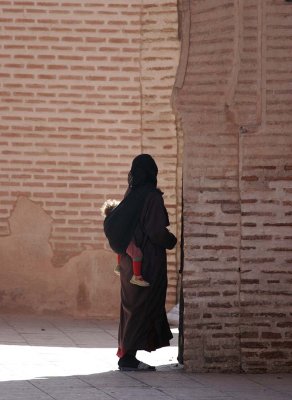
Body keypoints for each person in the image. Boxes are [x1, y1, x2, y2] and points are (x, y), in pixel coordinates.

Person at [116, 154, 177, 371]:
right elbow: (155, 231)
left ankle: (126, 353)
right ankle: (128, 358)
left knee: (131, 307)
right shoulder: (151, 196)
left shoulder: (131, 194)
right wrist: (172, 241)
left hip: (128, 260)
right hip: (147, 262)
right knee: (142, 306)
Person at [101, 199, 150, 287]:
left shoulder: (108, 222)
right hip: (124, 242)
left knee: (121, 251)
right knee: (137, 254)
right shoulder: (118, 220)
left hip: (116, 245)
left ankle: (119, 266)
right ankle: (137, 277)